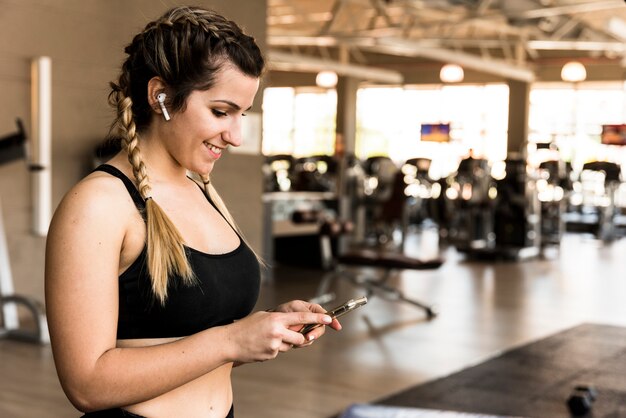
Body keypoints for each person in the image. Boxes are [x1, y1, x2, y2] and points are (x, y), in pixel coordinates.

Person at [44, 6, 341, 418]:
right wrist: (231, 341)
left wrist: (265, 328)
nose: (235, 136)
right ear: (161, 96)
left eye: (242, 114)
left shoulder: (204, 190)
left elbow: (193, 344)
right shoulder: (98, 205)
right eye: (221, 112)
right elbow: (87, 384)